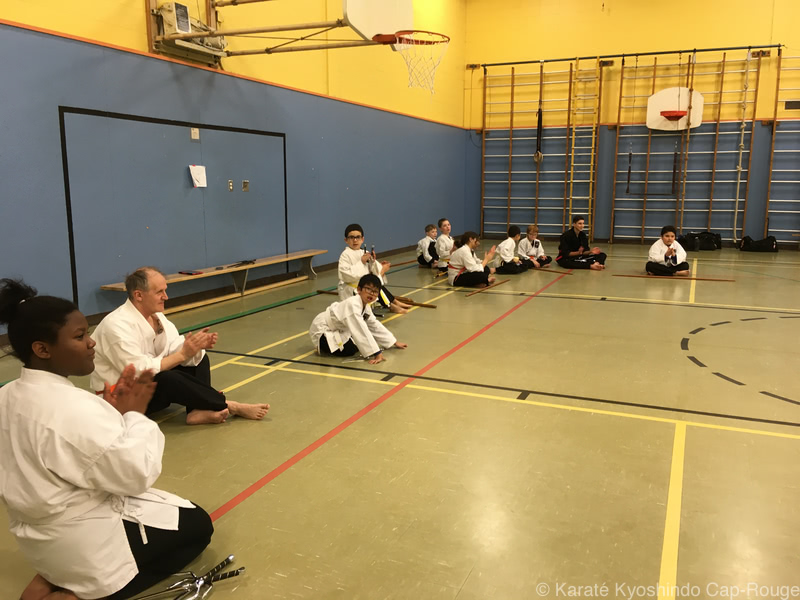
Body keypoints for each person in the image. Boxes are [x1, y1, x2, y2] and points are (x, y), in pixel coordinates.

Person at [0, 278, 214, 600]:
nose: (91, 343)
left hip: (38, 538)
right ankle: (77, 593)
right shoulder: (72, 408)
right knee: (198, 527)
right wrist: (135, 414)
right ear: (42, 349)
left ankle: (50, 576)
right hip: (82, 541)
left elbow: (70, 454)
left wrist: (112, 413)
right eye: (80, 336)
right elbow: (134, 475)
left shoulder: (6, 396)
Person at [90, 267, 269, 425]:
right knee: (167, 379)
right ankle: (229, 405)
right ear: (138, 295)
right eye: (159, 292)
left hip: (147, 390)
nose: (166, 297)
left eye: (165, 290)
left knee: (199, 359)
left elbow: (174, 347)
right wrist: (182, 354)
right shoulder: (116, 325)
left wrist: (193, 348)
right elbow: (137, 370)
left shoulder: (156, 317)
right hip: (120, 401)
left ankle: (195, 411)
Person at [310, 274, 408, 365]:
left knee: (357, 344)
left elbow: (373, 324)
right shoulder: (353, 305)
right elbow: (360, 329)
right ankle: (322, 346)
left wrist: (393, 341)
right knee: (349, 350)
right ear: (359, 289)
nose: (371, 294)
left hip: (339, 329)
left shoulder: (365, 305)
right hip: (323, 329)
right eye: (368, 289)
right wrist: (377, 353)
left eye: (375, 292)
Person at [337, 224, 411, 314]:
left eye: (358, 237)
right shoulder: (345, 255)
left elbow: (372, 270)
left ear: (362, 239)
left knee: (375, 282)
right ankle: (391, 305)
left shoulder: (364, 252)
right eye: (351, 237)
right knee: (374, 285)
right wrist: (362, 262)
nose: (355, 240)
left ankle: (394, 302)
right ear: (346, 240)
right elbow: (347, 276)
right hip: (351, 288)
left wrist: (374, 262)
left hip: (362, 284)